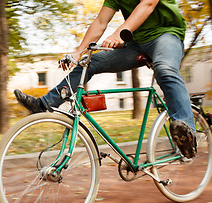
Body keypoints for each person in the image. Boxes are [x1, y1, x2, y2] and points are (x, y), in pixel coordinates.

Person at [14, 0, 196, 158]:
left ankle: (187, 135)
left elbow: (147, 4)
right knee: (89, 62)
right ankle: (44, 104)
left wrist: (118, 33)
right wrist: (78, 53)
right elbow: (100, 22)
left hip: (166, 35)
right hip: (135, 44)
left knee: (164, 70)